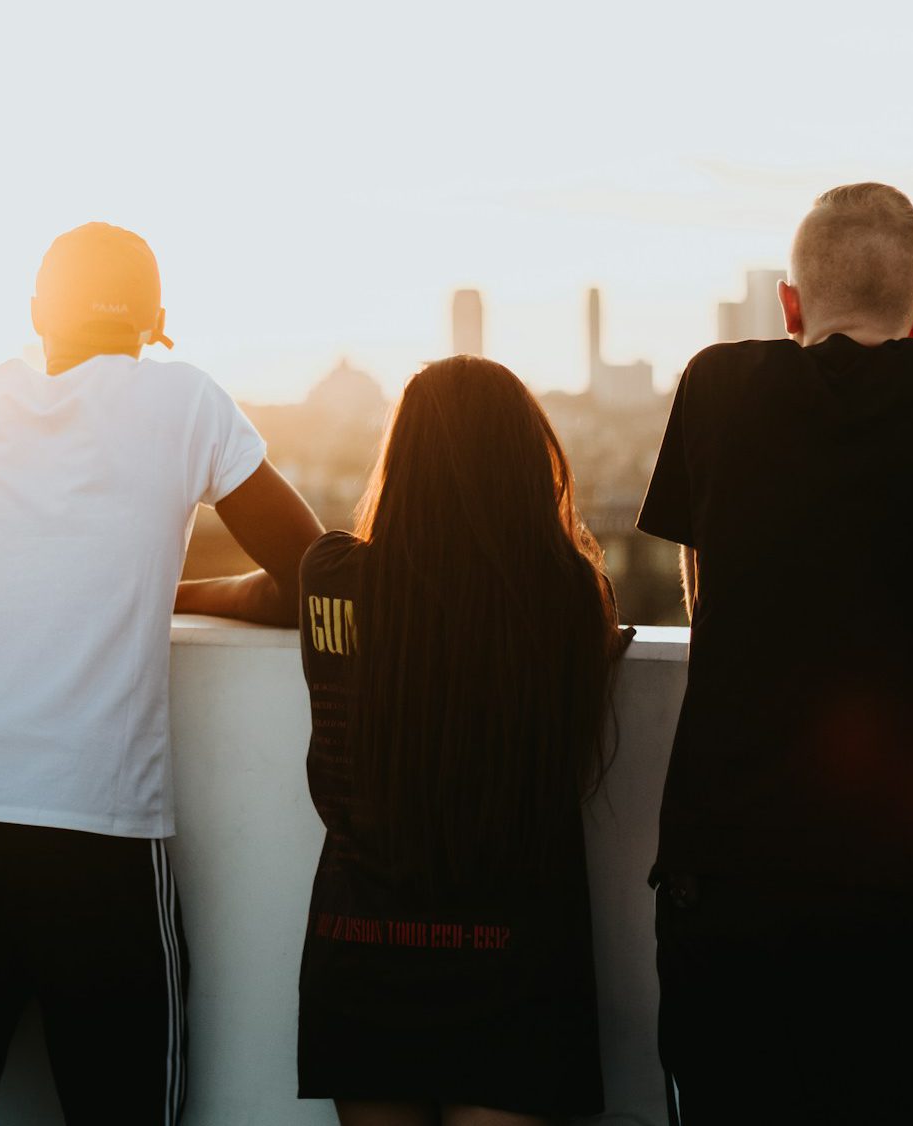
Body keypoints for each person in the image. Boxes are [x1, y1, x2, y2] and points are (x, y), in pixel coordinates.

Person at [0, 221, 324, 1125]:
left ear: (35, 314)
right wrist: (165, 586)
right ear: (158, 323)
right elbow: (314, 576)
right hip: (95, 837)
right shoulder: (185, 402)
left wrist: (9, 570)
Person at [637, 183, 913, 1125]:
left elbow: (708, 604)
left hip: (723, 873)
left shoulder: (715, 383)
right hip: (891, 882)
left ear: (788, 306)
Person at [296, 355, 629, 1126]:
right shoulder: (566, 599)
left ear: (401, 457)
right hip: (513, 963)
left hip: (362, 952)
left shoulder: (329, 577)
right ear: (524, 462)